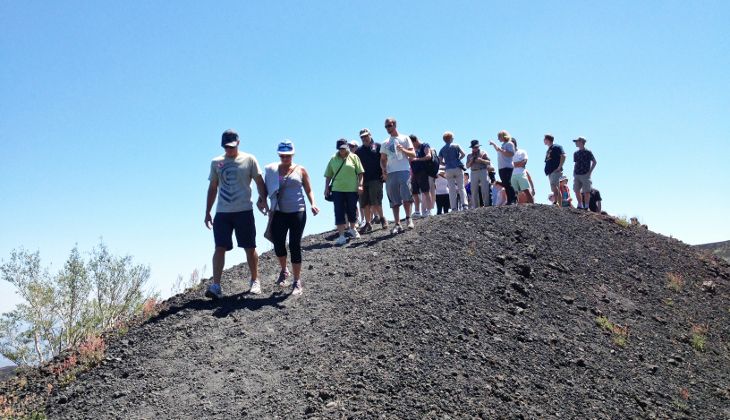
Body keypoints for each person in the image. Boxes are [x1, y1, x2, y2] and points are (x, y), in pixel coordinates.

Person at [205, 129, 268, 299]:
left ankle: (255, 280)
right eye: (226, 147)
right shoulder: (216, 162)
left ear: (238, 143)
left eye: (232, 146)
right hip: (223, 213)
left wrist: (264, 199)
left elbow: (259, 181)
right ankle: (216, 285)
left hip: (244, 211)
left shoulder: (249, 159)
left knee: (249, 247)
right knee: (219, 247)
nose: (229, 150)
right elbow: (212, 188)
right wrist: (207, 211)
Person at [263, 140, 319, 296]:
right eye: (282, 155)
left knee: (294, 244)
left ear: (292, 154)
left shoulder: (300, 170)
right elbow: (266, 190)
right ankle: (284, 270)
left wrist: (313, 203)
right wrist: (262, 200)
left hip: (298, 211)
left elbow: (309, 189)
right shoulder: (272, 171)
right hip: (279, 212)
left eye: (288, 155)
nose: (285, 158)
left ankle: (297, 281)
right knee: (279, 243)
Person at [325, 139, 365, 245]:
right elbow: (328, 175)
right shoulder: (333, 159)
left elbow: (360, 173)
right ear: (338, 148)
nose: (342, 150)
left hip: (352, 189)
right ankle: (341, 235)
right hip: (337, 190)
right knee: (339, 211)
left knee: (352, 209)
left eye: (344, 148)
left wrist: (360, 185)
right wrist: (326, 188)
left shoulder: (354, 157)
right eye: (340, 148)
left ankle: (353, 229)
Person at [380, 117, 416, 233]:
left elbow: (413, 154)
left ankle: (409, 219)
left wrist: (403, 150)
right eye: (386, 126)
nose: (387, 128)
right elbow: (383, 159)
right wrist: (383, 169)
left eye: (389, 125)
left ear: (395, 125)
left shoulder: (405, 138)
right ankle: (397, 224)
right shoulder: (385, 143)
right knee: (394, 199)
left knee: (406, 196)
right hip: (391, 173)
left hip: (404, 170)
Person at [355, 128, 387, 232]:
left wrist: (384, 172)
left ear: (370, 134)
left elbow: (383, 160)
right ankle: (368, 223)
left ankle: (382, 219)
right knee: (364, 203)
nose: (364, 138)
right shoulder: (358, 151)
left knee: (376, 201)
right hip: (363, 180)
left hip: (376, 178)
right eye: (362, 137)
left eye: (366, 136)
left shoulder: (378, 146)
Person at [438, 131, 468, 211]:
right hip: (457, 168)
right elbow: (463, 154)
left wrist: (445, 163)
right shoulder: (456, 146)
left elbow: (439, 161)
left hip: (448, 169)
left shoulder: (442, 149)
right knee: (461, 187)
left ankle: (454, 207)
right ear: (451, 138)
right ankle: (465, 205)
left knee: (451, 189)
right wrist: (458, 159)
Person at [408, 134, 433, 217]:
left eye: (411, 143)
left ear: (415, 141)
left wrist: (417, 159)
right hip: (414, 172)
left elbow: (429, 156)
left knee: (426, 191)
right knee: (414, 192)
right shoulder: (413, 149)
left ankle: (429, 211)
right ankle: (417, 211)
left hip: (423, 171)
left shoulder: (424, 145)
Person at [489, 130, 516, 204]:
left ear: (504, 136)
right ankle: (509, 200)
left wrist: (501, 150)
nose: (498, 139)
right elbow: (498, 150)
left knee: (508, 183)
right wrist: (494, 144)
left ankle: (513, 199)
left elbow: (511, 154)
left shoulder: (509, 144)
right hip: (501, 167)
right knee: (505, 184)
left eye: (499, 137)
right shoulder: (503, 145)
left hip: (508, 167)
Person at [572, 137, 597, 210]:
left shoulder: (588, 152)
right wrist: (574, 172)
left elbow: (594, 162)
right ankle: (580, 205)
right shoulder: (576, 153)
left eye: (577, 141)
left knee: (586, 191)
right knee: (576, 190)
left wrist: (590, 172)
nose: (576, 143)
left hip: (585, 174)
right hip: (577, 174)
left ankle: (586, 206)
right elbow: (576, 163)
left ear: (581, 142)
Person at [466, 139, 491, 208]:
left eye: (476, 147)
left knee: (485, 188)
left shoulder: (483, 153)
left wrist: (481, 160)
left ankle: (487, 205)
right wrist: (471, 161)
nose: (475, 149)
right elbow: (467, 166)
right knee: (474, 190)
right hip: (473, 172)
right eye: (474, 147)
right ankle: (476, 206)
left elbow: (489, 162)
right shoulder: (469, 155)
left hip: (483, 170)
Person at [543, 134, 566, 207]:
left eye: (545, 139)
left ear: (548, 139)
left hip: (555, 171)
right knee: (553, 188)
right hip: (550, 172)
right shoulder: (549, 149)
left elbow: (563, 155)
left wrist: (559, 167)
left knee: (556, 187)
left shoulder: (556, 147)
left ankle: (559, 204)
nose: (544, 141)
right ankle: (556, 202)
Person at [510, 140, 535, 204]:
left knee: (526, 190)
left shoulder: (522, 151)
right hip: (512, 175)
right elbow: (510, 165)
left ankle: (533, 206)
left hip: (521, 173)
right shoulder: (509, 154)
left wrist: (515, 164)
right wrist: (518, 163)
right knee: (515, 193)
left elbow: (524, 162)